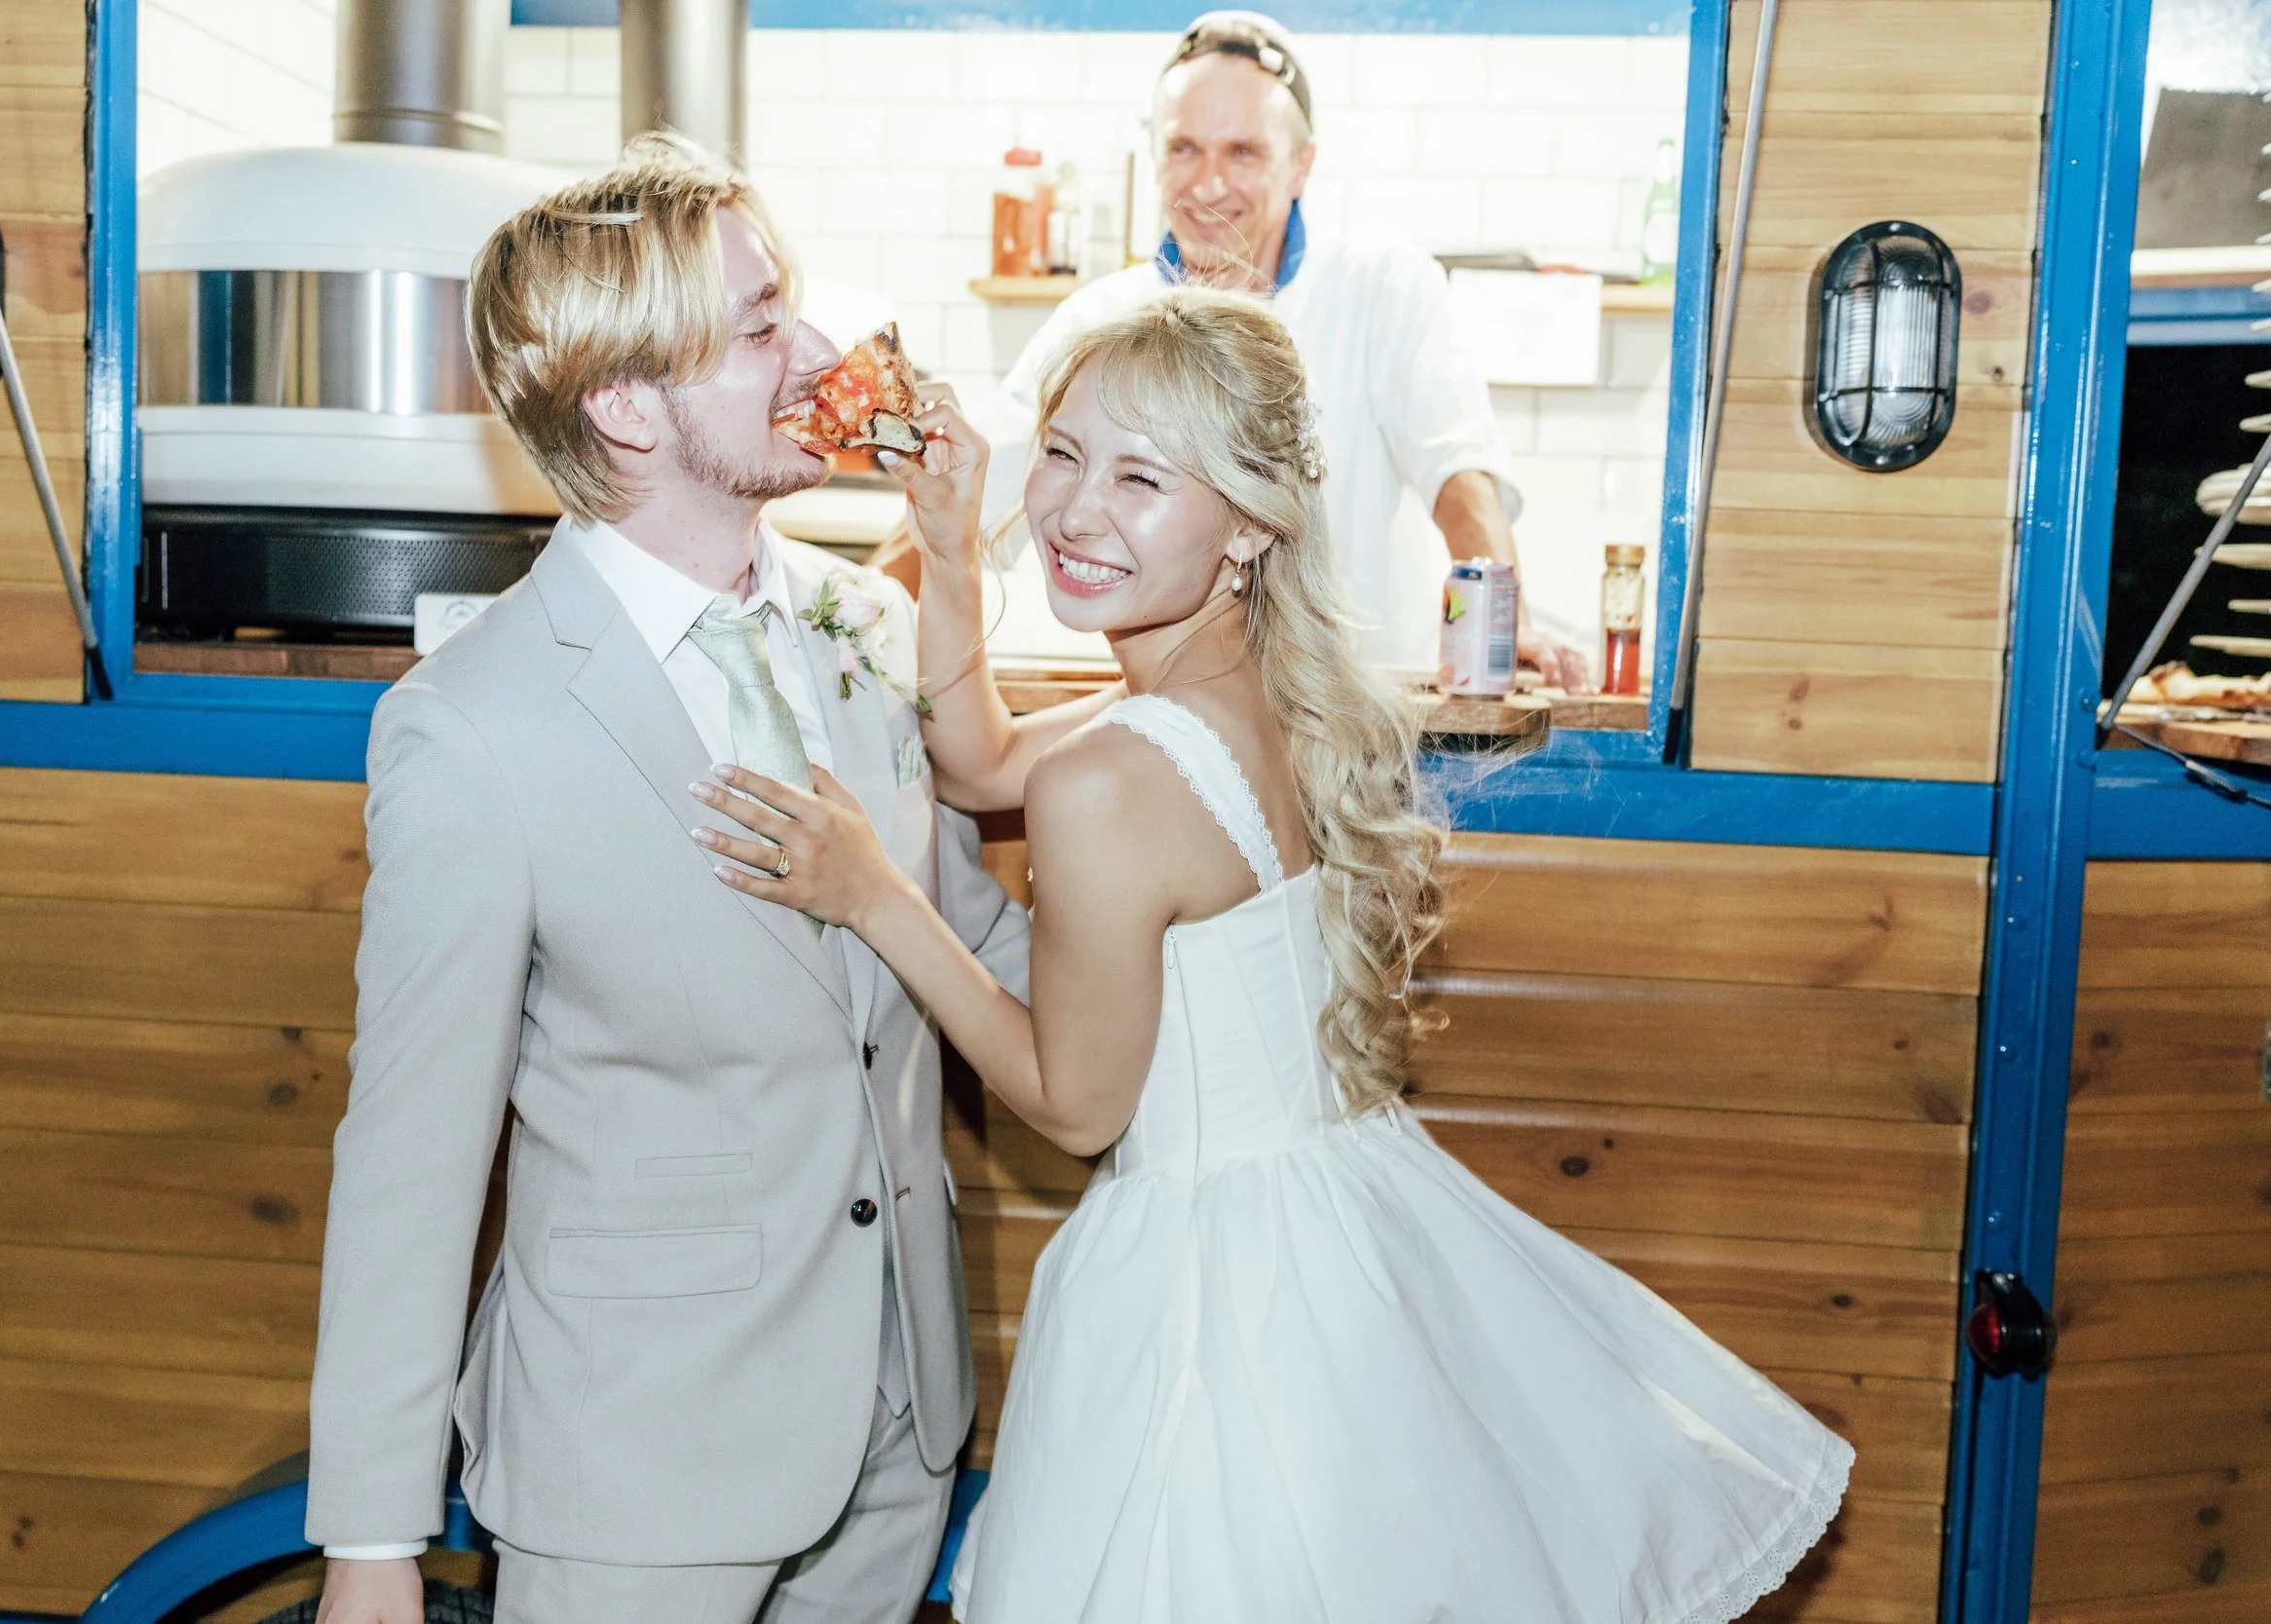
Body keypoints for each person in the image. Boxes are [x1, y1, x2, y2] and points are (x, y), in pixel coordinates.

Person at [689, 288, 1851, 1622]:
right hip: (1337, 1237)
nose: (1074, 509)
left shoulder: (1121, 774)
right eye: (1062, 453)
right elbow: (982, 759)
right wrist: (950, 549)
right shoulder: (1263, 702)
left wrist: (878, 895)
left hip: (1207, 1290)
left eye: (1141, 476)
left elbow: (1076, 1104)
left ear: (1249, 523)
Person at [306, 133, 1030, 1624]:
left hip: (899, 1430)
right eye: (763, 326)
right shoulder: (470, 725)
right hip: (634, 1462)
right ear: (626, 404)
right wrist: (371, 1534)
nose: (823, 351)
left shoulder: (864, 621)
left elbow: (972, 945)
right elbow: (410, 1152)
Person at [975, 10, 1592, 690]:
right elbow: (977, 490)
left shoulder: (1380, 288)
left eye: (1242, 152)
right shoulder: (1101, 317)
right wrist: (860, 607)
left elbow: (1459, 475)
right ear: (1155, 158)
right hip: (1176, 713)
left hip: (1355, 709)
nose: (1208, 183)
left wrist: (1507, 626)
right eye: (1184, 149)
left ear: (1301, 167)